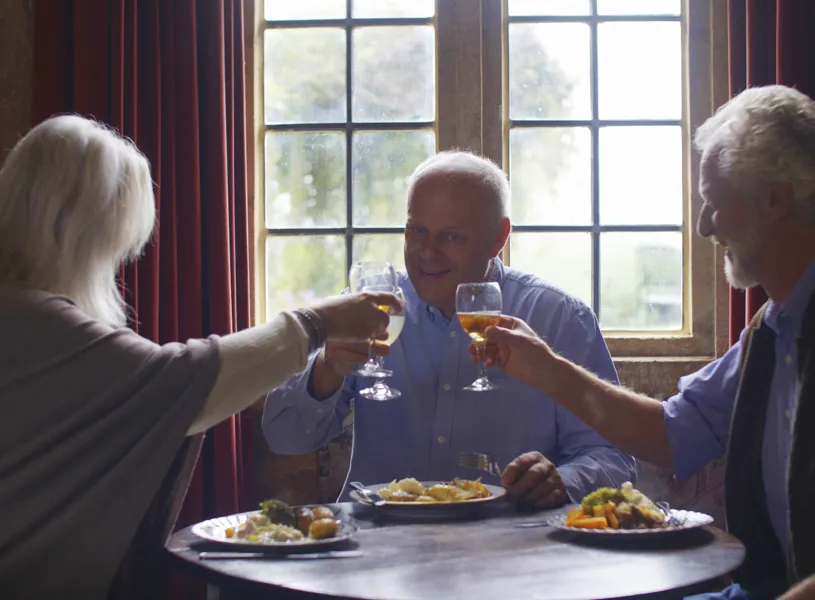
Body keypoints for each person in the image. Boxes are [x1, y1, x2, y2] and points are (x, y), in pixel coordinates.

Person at [0, 115, 400, 599]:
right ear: (74, 232)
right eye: (110, 247)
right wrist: (316, 324)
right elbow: (180, 385)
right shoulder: (37, 320)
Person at [476, 85, 815, 599]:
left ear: (774, 202)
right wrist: (545, 368)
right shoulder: (768, 333)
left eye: (713, 203)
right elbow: (669, 434)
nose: (702, 226)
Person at [263, 150, 635, 508]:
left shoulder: (560, 319)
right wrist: (325, 369)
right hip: (382, 549)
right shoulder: (367, 311)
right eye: (417, 231)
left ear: (498, 238)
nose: (427, 251)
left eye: (451, 237)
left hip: (509, 549)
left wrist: (563, 480)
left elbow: (614, 459)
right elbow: (285, 437)